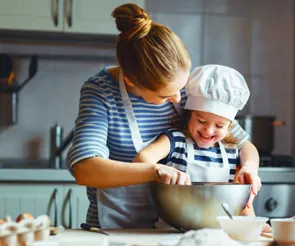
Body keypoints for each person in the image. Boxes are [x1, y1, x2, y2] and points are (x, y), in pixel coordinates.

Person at [66, 3, 261, 229]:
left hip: (176, 232)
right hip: (117, 231)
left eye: (182, 88)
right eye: (166, 95)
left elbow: (242, 143)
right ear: (132, 82)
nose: (179, 99)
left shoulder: (190, 89)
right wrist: (154, 171)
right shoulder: (101, 92)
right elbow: (85, 169)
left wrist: (249, 168)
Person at [133, 65, 257, 219]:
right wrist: (159, 171)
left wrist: (253, 224)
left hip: (219, 233)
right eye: (201, 121)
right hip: (172, 229)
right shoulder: (175, 141)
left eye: (219, 126)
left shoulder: (231, 151)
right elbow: (142, 159)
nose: (208, 131)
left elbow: (241, 206)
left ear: (230, 127)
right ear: (188, 116)